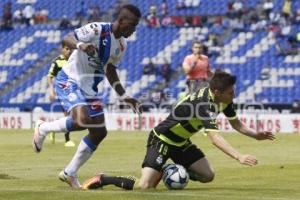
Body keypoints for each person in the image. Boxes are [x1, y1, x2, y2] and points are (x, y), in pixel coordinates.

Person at [81, 70, 275, 190]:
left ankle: (167, 170)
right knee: (144, 186)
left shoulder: (223, 100)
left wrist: (256, 135)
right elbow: (214, 138)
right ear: (217, 92)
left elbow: (237, 124)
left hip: (181, 143)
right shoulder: (203, 104)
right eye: (231, 92)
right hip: (162, 140)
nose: (234, 95)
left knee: (208, 176)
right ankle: (103, 178)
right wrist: (238, 156)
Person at [32, 4, 142, 189]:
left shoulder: (121, 45)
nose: (134, 29)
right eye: (132, 25)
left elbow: (111, 71)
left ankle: (69, 172)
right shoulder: (96, 29)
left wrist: (124, 96)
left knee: (99, 132)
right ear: (121, 21)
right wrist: (81, 45)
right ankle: (43, 128)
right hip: (70, 79)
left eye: (136, 26)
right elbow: (67, 39)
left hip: (89, 90)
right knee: (83, 119)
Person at [47, 41, 75, 147]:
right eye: (67, 49)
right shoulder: (57, 61)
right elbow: (50, 76)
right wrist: (51, 91)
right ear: (62, 49)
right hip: (62, 92)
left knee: (73, 116)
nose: (69, 51)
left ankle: (52, 128)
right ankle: (67, 140)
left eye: (70, 49)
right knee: (68, 115)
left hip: (73, 91)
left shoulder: (74, 60)